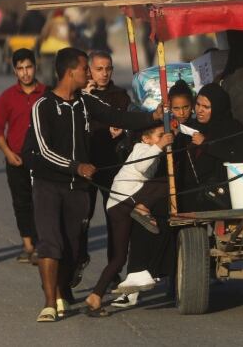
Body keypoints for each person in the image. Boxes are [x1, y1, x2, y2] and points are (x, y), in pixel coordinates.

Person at [21, 47, 162, 322]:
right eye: (86, 69)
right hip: (49, 184)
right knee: (50, 243)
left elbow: (120, 117)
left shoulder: (86, 103)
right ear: (70, 71)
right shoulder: (43, 106)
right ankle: (50, 303)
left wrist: (152, 118)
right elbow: (43, 150)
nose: (90, 74)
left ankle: (62, 291)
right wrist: (77, 166)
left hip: (79, 189)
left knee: (73, 248)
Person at [113, 80, 194, 306]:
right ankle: (134, 281)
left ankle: (167, 278)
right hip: (160, 191)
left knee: (163, 221)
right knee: (142, 223)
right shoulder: (164, 129)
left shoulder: (193, 130)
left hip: (187, 192)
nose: (182, 113)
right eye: (176, 108)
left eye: (186, 107)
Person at [85, 125, 173, 317]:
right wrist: (160, 146)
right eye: (159, 136)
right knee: (167, 182)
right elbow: (142, 166)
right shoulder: (141, 149)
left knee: (119, 258)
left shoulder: (153, 152)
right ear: (146, 138)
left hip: (118, 207)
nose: (164, 138)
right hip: (124, 200)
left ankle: (95, 296)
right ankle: (142, 208)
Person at [76, 50, 132, 286]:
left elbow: (129, 120)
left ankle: (114, 267)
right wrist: (85, 95)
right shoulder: (79, 96)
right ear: (89, 70)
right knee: (81, 217)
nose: (104, 73)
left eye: (108, 68)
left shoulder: (119, 95)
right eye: (99, 69)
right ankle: (78, 259)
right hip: (86, 165)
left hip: (112, 165)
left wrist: (122, 129)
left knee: (114, 217)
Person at [0, 48, 46, 264]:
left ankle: (43, 244)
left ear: (36, 66)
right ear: (15, 71)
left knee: (43, 202)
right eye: (20, 69)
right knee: (21, 202)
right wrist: (8, 153)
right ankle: (28, 245)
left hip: (43, 159)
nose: (25, 73)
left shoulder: (47, 93)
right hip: (17, 159)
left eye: (29, 67)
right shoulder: (6, 98)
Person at [179, 83, 243, 212]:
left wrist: (207, 144)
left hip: (222, 195)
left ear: (218, 107)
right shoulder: (191, 127)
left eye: (206, 107)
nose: (199, 110)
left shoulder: (232, 128)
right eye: (197, 104)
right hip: (194, 193)